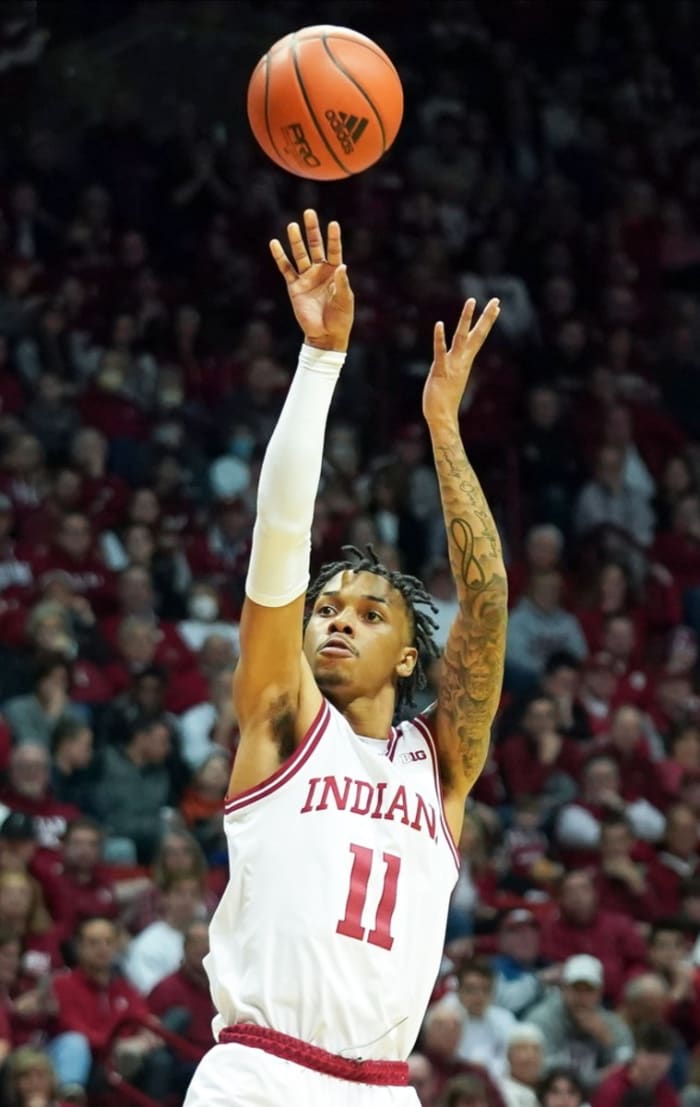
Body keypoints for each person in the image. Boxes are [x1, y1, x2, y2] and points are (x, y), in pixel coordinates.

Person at [183, 208, 507, 1107]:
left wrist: (443, 427)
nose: (335, 620)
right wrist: (321, 361)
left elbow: (485, 600)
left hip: (382, 1087)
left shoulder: (440, 763)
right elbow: (280, 534)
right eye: (325, 608)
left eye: (368, 614)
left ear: (408, 657)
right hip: (258, 1070)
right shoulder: (284, 720)